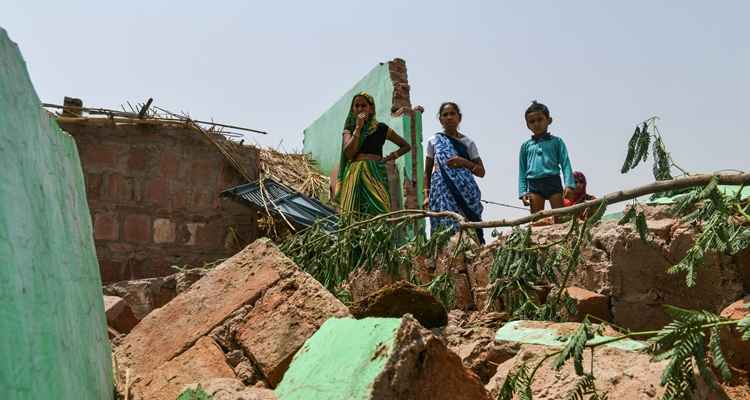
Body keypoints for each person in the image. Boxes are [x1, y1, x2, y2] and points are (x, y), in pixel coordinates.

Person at [337, 92, 411, 218]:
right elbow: (349, 153)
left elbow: (406, 146)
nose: (360, 109)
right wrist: (358, 129)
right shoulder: (349, 129)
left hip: (376, 174)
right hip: (355, 175)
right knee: (354, 215)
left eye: (364, 106)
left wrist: (392, 156)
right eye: (357, 106)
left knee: (380, 211)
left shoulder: (381, 128)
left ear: (371, 109)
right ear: (353, 109)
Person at [424, 102, 486, 243]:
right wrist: (426, 195)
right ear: (440, 119)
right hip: (441, 193)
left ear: (460, 117)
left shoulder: (468, 143)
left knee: (468, 229)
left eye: (453, 114)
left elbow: (481, 172)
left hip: (467, 194)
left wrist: (463, 162)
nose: (449, 117)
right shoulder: (433, 141)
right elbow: (427, 171)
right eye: (445, 115)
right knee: (444, 229)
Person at [518, 101, 575, 215]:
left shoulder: (557, 142)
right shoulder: (526, 146)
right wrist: (523, 191)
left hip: (553, 180)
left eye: (540, 119)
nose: (536, 124)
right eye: (532, 121)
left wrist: (569, 184)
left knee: (560, 216)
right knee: (537, 219)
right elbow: (522, 171)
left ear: (549, 120)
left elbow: (565, 164)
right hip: (534, 184)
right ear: (527, 125)